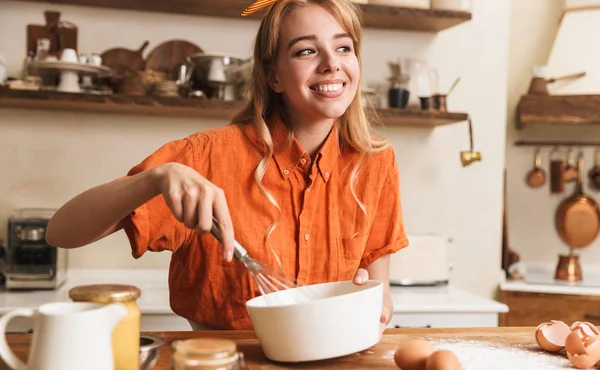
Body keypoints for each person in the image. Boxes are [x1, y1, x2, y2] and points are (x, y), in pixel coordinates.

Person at [46, 0, 409, 335]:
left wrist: (375, 308)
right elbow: (61, 233)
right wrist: (156, 178)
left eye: (344, 47)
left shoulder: (375, 161)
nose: (332, 63)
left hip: (329, 367)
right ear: (274, 77)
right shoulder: (205, 157)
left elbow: (381, 294)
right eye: (307, 50)